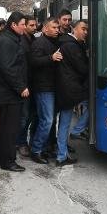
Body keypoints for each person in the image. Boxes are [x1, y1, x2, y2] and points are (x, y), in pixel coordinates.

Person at [0, 12, 29, 172]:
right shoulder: (6, 41)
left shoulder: (11, 38)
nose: (24, 27)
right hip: (8, 93)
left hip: (8, 92)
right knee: (10, 129)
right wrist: (21, 87)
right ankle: (8, 161)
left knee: (5, 127)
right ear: (13, 25)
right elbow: (9, 69)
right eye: (22, 24)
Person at [55, 19, 88, 167]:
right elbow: (82, 69)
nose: (85, 32)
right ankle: (61, 155)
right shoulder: (71, 46)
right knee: (64, 123)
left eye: (87, 30)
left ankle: (62, 153)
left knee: (63, 122)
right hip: (69, 90)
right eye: (83, 29)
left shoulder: (67, 43)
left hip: (66, 88)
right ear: (74, 29)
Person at [28, 17, 62, 164]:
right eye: (54, 27)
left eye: (57, 27)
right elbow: (33, 62)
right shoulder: (39, 43)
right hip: (43, 88)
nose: (57, 30)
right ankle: (36, 150)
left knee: (49, 120)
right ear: (45, 28)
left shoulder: (55, 41)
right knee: (47, 120)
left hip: (53, 87)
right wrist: (51, 57)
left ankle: (45, 147)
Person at [17, 15, 37, 156]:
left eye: (35, 25)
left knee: (31, 116)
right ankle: (21, 142)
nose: (34, 28)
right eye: (31, 25)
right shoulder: (20, 42)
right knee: (23, 117)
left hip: (34, 84)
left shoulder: (34, 40)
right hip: (24, 85)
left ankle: (28, 141)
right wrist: (22, 86)